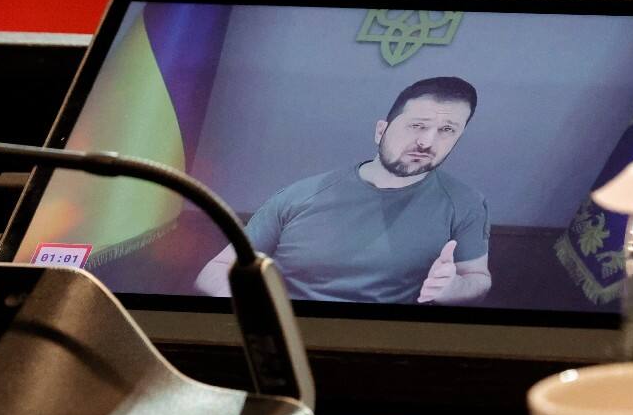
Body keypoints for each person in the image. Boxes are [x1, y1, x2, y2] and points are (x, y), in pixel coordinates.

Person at [195, 76, 491, 304]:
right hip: (290, 331)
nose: (427, 142)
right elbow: (217, 268)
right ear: (380, 131)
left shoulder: (465, 203)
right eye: (417, 125)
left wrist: (451, 288)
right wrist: (254, 306)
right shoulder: (299, 196)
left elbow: (477, 277)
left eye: (447, 130)